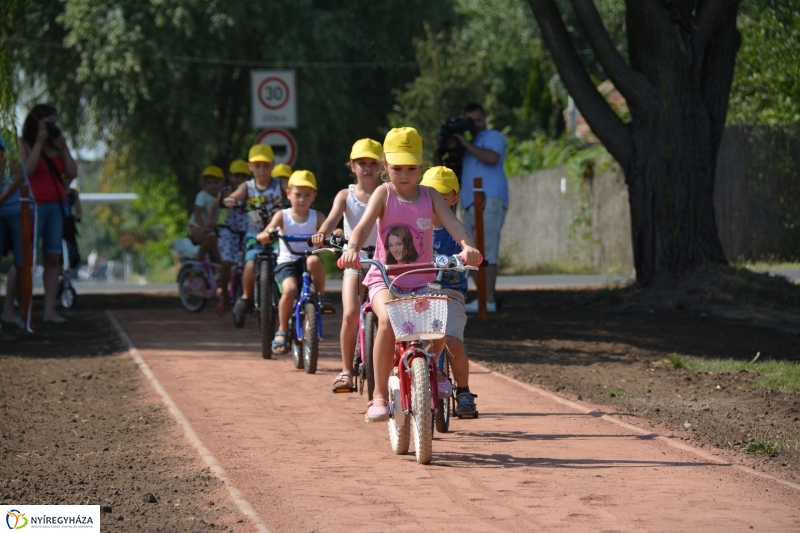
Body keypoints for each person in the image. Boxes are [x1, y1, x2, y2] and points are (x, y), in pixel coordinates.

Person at [341, 127, 481, 422]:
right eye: (397, 168)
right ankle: (378, 395)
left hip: (421, 277)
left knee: (437, 322)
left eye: (411, 168)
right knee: (388, 322)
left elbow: (454, 225)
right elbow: (364, 225)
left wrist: (467, 245)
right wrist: (353, 247)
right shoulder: (384, 193)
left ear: (421, 166)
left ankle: (435, 370)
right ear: (385, 167)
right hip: (385, 277)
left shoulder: (430, 196)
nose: (404, 175)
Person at [311, 138, 382, 393]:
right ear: (352, 166)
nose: (368, 168)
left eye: (373, 163)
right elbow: (330, 221)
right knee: (351, 313)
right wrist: (321, 233)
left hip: (383, 262)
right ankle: (346, 371)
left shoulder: (387, 193)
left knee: (390, 316)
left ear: (382, 166)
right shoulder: (346, 195)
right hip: (355, 258)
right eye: (362, 163)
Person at [435, 102, 507, 313]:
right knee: (468, 251)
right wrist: (440, 147)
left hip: (490, 198)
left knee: (488, 250)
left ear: (485, 118)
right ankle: (485, 298)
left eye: (478, 120)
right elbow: (442, 171)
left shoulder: (492, 137)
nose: (474, 125)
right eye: (470, 121)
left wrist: (465, 143)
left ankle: (489, 300)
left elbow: (492, 158)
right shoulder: (466, 143)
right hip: (469, 202)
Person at [420, 166, 478, 416]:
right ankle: (416, 386)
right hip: (420, 294)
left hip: (450, 293)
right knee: (416, 343)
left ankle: (463, 390)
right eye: (432, 197)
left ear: (454, 198)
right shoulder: (415, 228)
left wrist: (470, 254)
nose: (437, 204)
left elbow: (470, 249)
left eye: (443, 198)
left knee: (453, 341)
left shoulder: (457, 230)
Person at [19, 104, 78, 323]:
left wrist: (62, 146)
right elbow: (27, 171)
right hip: (33, 205)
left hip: (57, 205)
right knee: (25, 258)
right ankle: (21, 308)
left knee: (53, 257)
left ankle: (50, 310)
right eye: (47, 124)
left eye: (54, 123)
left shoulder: (57, 144)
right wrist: (39, 143)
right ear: (35, 123)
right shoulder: (24, 142)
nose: (52, 128)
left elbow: (72, 172)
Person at [257, 170, 326, 355]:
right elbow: (268, 230)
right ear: (288, 194)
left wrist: (336, 233)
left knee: (314, 260)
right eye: (297, 194)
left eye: (307, 195)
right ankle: (282, 329)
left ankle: (320, 296)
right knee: (289, 290)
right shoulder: (282, 215)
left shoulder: (316, 216)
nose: (302, 199)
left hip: (307, 261)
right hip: (287, 262)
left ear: (314, 196)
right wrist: (265, 235)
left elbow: (331, 228)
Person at [224, 144, 286, 316]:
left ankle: (285, 295)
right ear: (250, 167)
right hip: (255, 236)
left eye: (266, 166)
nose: (262, 170)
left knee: (283, 263)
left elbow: (292, 191)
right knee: (250, 264)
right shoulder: (247, 186)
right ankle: (245, 296)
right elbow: (235, 195)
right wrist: (230, 200)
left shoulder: (280, 184)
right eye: (257, 166)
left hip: (277, 235)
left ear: (273, 165)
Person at [207, 159, 250, 314]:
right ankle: (223, 295)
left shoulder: (251, 191)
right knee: (226, 262)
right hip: (228, 231)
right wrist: (211, 221)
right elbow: (214, 207)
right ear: (230, 177)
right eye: (236, 176)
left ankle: (249, 297)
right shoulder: (225, 191)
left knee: (250, 264)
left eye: (243, 176)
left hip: (247, 231)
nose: (239, 179)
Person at [0, 132, 27, 333]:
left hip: (15, 208)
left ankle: (17, 311)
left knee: (21, 262)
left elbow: (18, 174)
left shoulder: (6, 139)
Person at [189, 165, 224, 262]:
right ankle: (199, 261)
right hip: (196, 226)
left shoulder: (221, 196)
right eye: (209, 183)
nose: (213, 185)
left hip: (211, 227)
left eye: (216, 182)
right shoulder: (202, 195)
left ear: (221, 183)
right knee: (210, 240)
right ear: (204, 184)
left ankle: (220, 266)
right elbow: (197, 213)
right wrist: (202, 227)